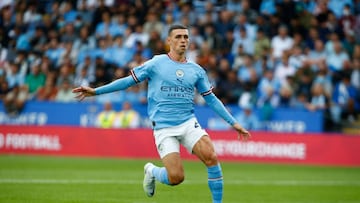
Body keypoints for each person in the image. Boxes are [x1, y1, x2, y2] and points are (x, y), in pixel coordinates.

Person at [72, 24, 251, 203]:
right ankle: (151, 171)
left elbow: (211, 99)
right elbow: (127, 82)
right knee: (176, 177)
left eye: (186, 37)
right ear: (169, 41)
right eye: (179, 37)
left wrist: (233, 123)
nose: (183, 40)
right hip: (164, 127)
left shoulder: (196, 70)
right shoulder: (156, 63)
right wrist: (95, 91)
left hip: (188, 123)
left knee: (211, 157)